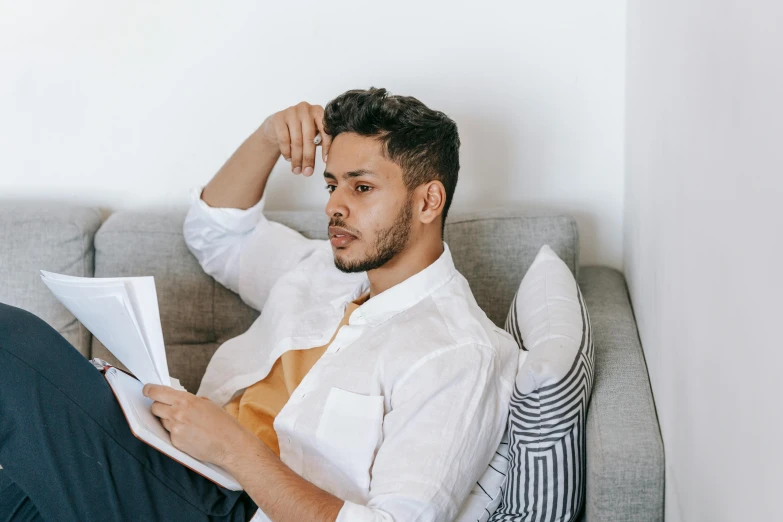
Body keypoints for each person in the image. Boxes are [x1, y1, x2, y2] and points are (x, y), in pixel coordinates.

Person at [0, 87, 518, 522]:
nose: (335, 205)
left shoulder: (458, 351)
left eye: (362, 187)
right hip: (179, 464)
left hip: (235, 507)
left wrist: (231, 448)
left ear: (428, 201)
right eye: (333, 184)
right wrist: (271, 136)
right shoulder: (325, 270)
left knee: (10, 342)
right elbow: (215, 235)